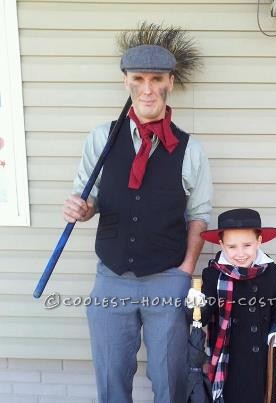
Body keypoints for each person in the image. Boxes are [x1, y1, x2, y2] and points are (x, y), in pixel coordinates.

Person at [63, 22, 212, 403]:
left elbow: (198, 215)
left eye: (156, 79)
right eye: (138, 78)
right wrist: (82, 209)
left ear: (170, 83)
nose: (147, 88)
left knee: (170, 380)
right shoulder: (101, 138)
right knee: (111, 378)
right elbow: (90, 196)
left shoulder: (190, 150)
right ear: (126, 82)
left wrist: (185, 272)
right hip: (111, 277)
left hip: (167, 278)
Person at [187, 208, 276, 403]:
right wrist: (195, 305)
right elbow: (201, 317)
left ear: (259, 241)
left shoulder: (271, 271)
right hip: (229, 361)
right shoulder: (213, 274)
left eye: (247, 245)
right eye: (232, 246)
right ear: (221, 244)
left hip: (263, 360)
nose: (240, 253)